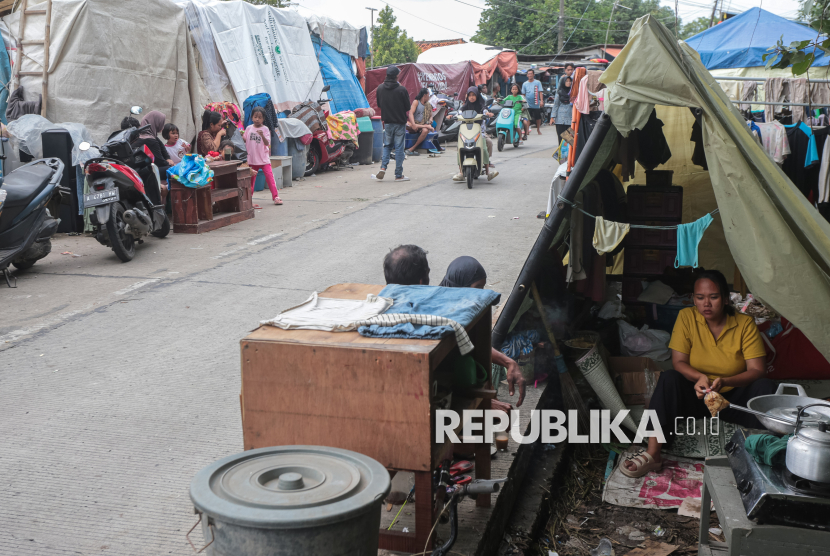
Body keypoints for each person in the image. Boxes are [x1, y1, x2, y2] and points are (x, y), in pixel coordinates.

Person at [621, 270, 777, 478]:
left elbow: (757, 369)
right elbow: (678, 361)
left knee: (766, 387)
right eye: (700, 297)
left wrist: (726, 381)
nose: (706, 304)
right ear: (693, 299)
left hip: (731, 400)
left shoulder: (744, 324)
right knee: (669, 378)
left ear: (725, 298)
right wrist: (699, 378)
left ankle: (766, 452)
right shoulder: (686, 317)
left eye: (713, 297)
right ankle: (653, 453)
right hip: (697, 395)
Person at [439, 256, 526, 406]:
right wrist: (488, 402)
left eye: (483, 287)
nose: (481, 294)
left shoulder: (466, 309)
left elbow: (471, 344)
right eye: (477, 287)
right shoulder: (441, 319)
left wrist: (509, 362)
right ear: (460, 285)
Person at [452, 87, 498, 182]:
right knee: (459, 148)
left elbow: (485, 110)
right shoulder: (465, 106)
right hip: (466, 132)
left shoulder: (481, 105)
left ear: (477, 95)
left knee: (484, 148)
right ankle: (461, 173)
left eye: (473, 95)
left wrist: (488, 113)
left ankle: (488, 171)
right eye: (470, 95)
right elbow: (459, 112)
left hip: (479, 132)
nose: (472, 97)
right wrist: (453, 116)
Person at [375, 65, 411, 182]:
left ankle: (383, 167)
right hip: (399, 122)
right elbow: (407, 107)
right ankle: (398, 175)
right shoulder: (401, 89)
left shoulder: (380, 88)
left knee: (387, 146)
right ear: (397, 76)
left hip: (388, 122)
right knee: (399, 148)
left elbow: (379, 104)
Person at [243, 107, 282, 207]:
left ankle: (276, 197)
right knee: (251, 181)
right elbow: (244, 139)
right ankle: (249, 199)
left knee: (270, 178)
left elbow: (267, 143)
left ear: (263, 119)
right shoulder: (249, 128)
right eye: (255, 117)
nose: (257, 119)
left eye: (260, 117)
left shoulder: (265, 129)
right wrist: (240, 134)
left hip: (264, 159)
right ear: (252, 117)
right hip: (251, 159)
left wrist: (262, 136)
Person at [132, 111, 172, 205]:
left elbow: (163, 150)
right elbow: (160, 161)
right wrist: (169, 163)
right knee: (173, 170)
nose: (162, 126)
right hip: (149, 171)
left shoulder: (142, 137)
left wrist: (167, 158)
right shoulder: (150, 140)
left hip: (140, 171)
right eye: (161, 122)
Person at [405, 88, 434, 156]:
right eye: (428, 95)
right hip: (414, 124)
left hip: (422, 125)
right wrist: (413, 124)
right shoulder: (416, 102)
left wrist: (430, 120)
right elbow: (411, 113)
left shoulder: (428, 105)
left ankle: (412, 148)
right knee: (405, 124)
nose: (429, 97)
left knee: (425, 130)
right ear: (425, 95)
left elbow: (431, 116)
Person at [549, 76, 574, 142]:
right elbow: (556, 105)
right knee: (561, 139)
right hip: (560, 119)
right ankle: (561, 149)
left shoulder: (573, 93)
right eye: (566, 81)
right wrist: (552, 117)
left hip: (571, 118)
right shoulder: (559, 93)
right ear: (563, 82)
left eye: (570, 81)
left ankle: (569, 149)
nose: (569, 82)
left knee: (570, 140)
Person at [522, 69, 544, 135]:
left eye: (531, 73)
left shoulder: (538, 82)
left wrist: (541, 101)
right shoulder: (525, 84)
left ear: (534, 74)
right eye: (528, 74)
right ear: (527, 75)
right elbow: (523, 94)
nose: (530, 75)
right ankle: (527, 130)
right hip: (528, 104)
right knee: (528, 118)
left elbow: (540, 92)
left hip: (536, 103)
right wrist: (523, 103)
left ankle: (538, 130)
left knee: (538, 118)